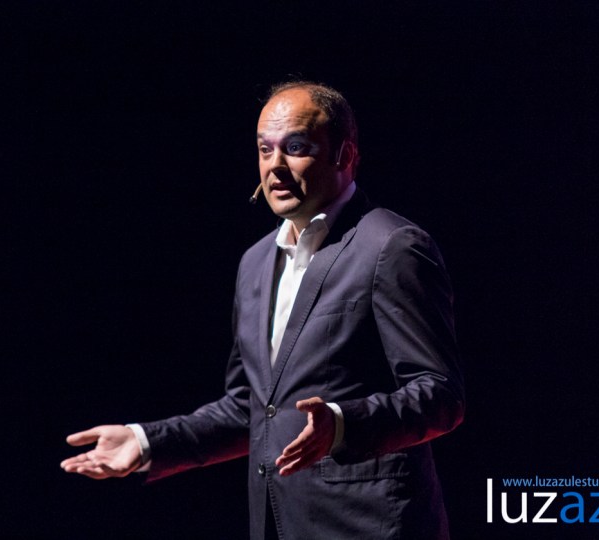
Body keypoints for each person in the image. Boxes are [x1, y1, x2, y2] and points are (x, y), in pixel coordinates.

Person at [61, 81, 464, 539]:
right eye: (264, 149)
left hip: (370, 526)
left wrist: (342, 424)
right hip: (278, 523)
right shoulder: (255, 262)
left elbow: (440, 396)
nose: (276, 166)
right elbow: (251, 410)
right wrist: (149, 440)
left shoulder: (391, 246)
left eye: (296, 147)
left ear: (345, 155)